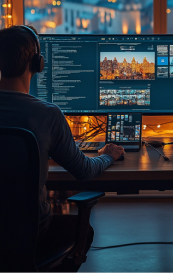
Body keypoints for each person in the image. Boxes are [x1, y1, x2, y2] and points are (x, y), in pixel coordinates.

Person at [0, 25, 125, 270]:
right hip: (31, 235)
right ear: (38, 64)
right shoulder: (46, 115)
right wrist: (107, 155)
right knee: (83, 231)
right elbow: (84, 171)